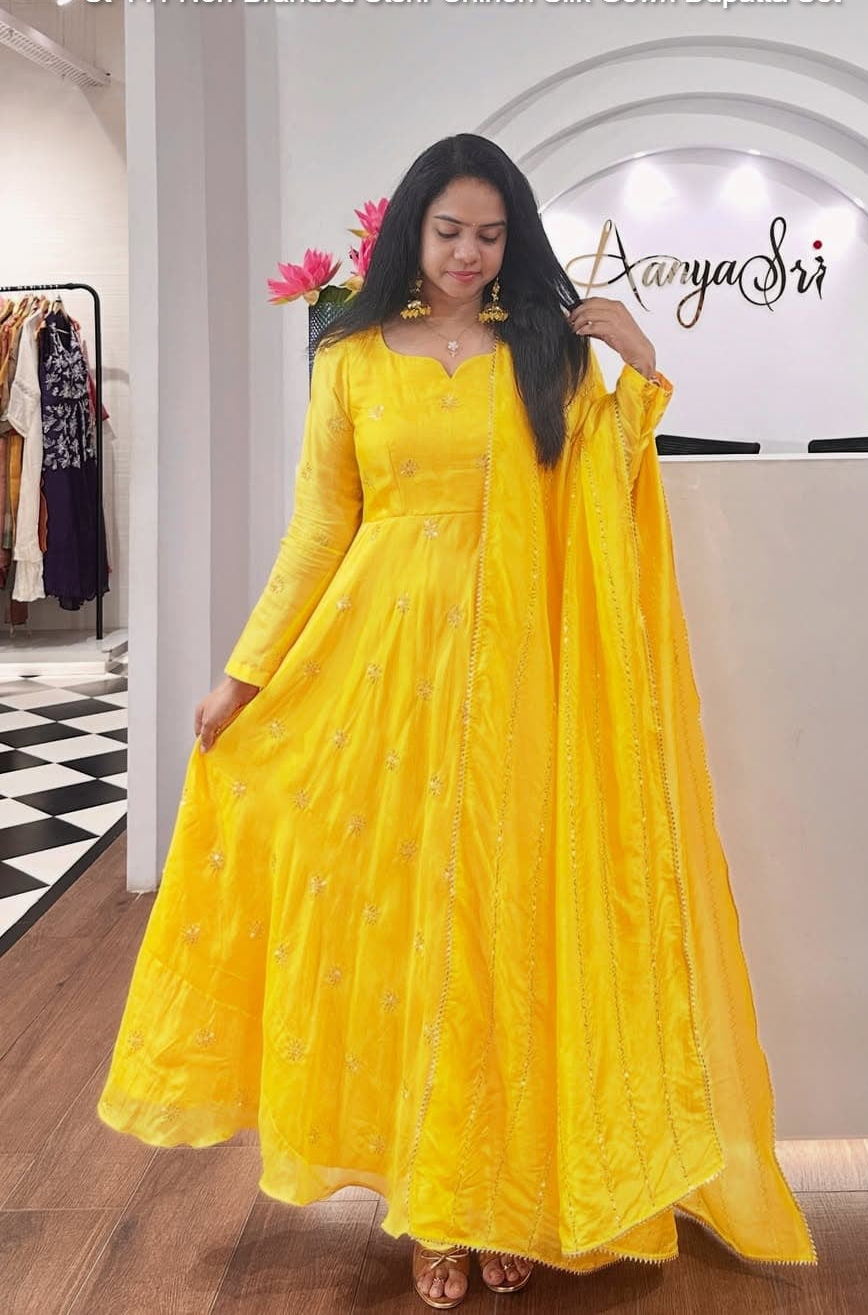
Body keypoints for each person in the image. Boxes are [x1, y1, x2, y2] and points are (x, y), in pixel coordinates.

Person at [97, 133, 817, 1309]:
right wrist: (245, 675)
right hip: (379, 678)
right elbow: (320, 527)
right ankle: (429, 1204)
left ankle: (500, 1194)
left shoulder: (545, 352)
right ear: (410, 234)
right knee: (400, 940)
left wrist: (639, 368)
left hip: (519, 686)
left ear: (513, 238)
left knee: (500, 933)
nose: (469, 254)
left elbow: (600, 496)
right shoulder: (348, 357)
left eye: (490, 234)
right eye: (449, 232)